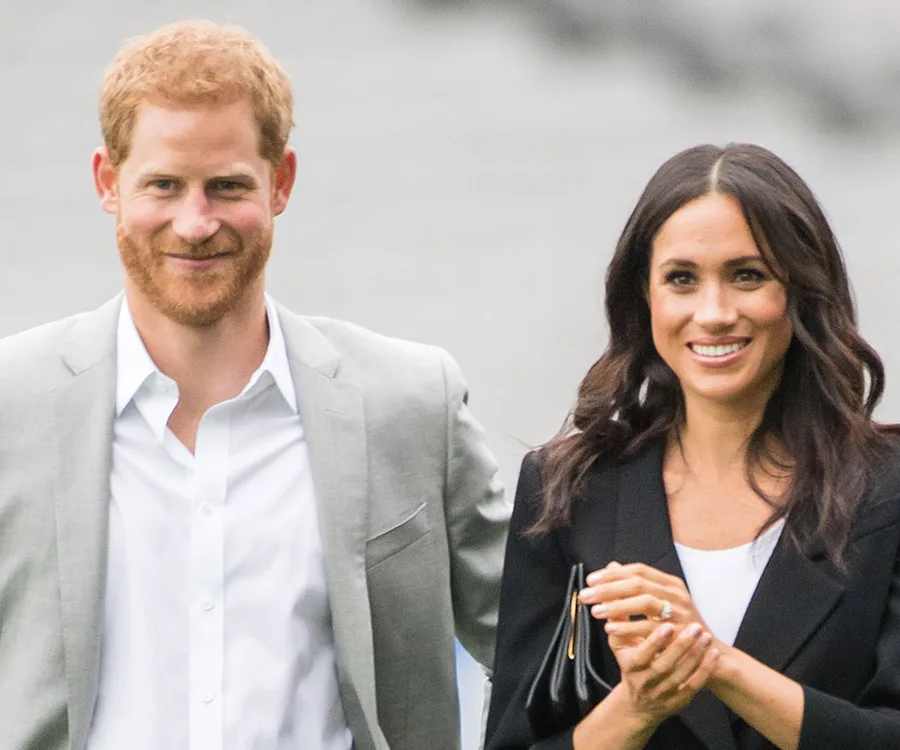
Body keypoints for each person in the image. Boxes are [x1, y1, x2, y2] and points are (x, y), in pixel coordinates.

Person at [0, 19, 509, 750]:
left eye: (227, 186)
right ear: (108, 182)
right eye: (164, 185)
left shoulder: (411, 404)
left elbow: (538, 649)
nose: (195, 222)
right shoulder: (11, 405)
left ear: (282, 183)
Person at [484, 143, 900, 749]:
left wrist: (715, 663)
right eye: (682, 279)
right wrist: (638, 706)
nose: (714, 313)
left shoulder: (887, 490)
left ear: (802, 291)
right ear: (644, 296)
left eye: (747, 275)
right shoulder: (568, 489)